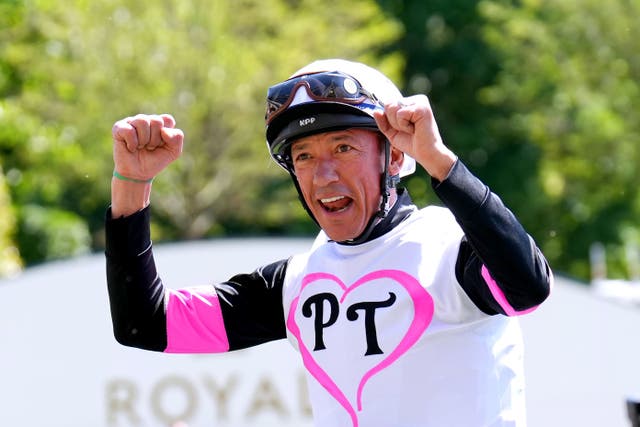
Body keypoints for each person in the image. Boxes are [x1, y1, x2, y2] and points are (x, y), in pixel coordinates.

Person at [105, 59, 552, 427]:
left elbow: (528, 287)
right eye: (303, 156)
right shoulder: (296, 282)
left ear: (396, 156)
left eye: (343, 148)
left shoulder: (450, 248)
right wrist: (132, 184)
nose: (323, 176)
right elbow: (145, 324)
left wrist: (437, 160)